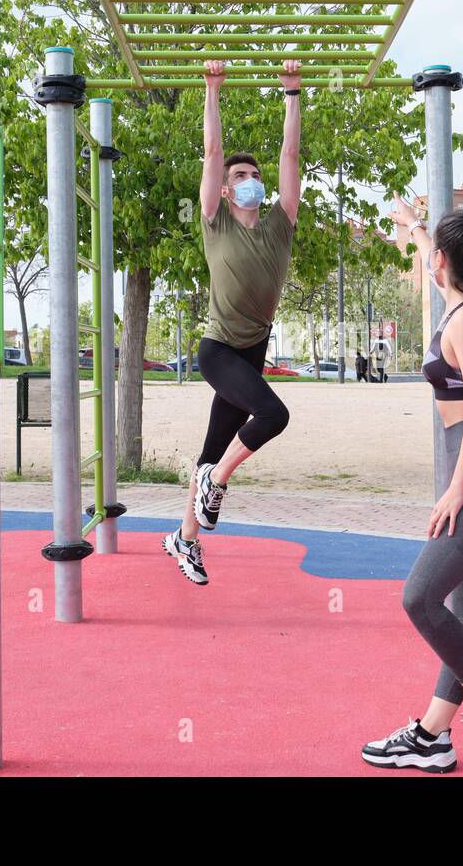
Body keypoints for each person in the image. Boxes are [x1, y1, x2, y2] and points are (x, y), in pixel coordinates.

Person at [361, 199, 463, 774]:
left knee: (420, 597)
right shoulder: (456, 305)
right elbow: (436, 252)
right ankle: (434, 734)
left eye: (436, 254)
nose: (428, 261)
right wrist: (412, 225)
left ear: (450, 263)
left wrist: (457, 488)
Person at [161, 59, 302, 586]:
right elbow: (213, 154)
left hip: (252, 350)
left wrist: (292, 91)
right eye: (240, 177)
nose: (250, 181)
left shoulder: (279, 224)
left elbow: (290, 154)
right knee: (273, 413)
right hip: (219, 350)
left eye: (254, 176)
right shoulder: (215, 222)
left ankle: (184, 538)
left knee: (211, 452)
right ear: (224, 191)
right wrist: (211, 90)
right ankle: (215, 484)